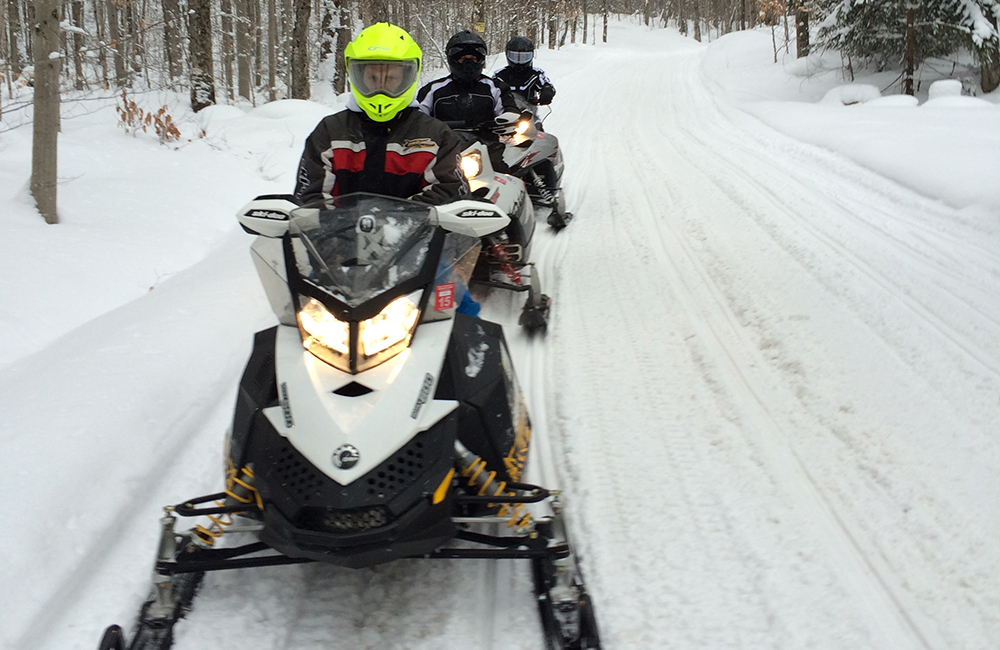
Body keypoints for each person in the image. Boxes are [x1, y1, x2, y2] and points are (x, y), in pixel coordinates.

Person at [293, 23, 469, 207]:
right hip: (340, 234)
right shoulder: (330, 132)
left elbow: (452, 192)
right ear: (358, 76)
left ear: (408, 76)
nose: (381, 88)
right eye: (372, 78)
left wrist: (399, 219)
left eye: (391, 78)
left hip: (419, 233)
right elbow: (310, 197)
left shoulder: (436, 136)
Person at [416, 30, 522, 168]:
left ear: (480, 60)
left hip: (487, 152)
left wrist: (508, 119)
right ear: (452, 59)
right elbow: (416, 116)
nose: (468, 63)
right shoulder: (433, 90)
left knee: (512, 175)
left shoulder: (495, 88)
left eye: (473, 59)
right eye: (462, 58)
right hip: (444, 152)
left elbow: (509, 109)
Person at [493, 35, 556, 128]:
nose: (518, 62)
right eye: (515, 57)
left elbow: (546, 84)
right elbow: (489, 90)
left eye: (523, 58)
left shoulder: (535, 74)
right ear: (507, 55)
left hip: (529, 116)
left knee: (540, 136)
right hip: (504, 117)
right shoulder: (500, 75)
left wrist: (547, 91)